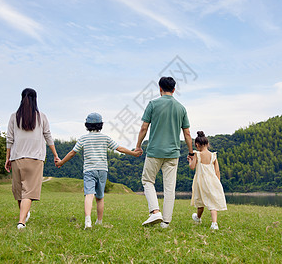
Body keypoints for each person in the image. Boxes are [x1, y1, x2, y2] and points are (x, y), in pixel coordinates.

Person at [56, 112, 141, 229]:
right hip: (102, 170)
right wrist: (133, 153)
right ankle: (99, 222)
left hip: (89, 170)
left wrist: (61, 162)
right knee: (100, 197)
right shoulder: (105, 137)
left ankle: (87, 222)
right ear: (101, 125)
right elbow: (119, 148)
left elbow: (72, 153)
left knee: (89, 195)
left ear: (87, 125)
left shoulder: (83, 138)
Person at [135, 76, 194, 228]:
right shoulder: (181, 108)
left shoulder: (153, 104)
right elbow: (187, 133)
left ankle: (155, 212)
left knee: (148, 181)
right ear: (174, 90)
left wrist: (138, 146)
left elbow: (144, 128)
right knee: (169, 188)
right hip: (173, 154)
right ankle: (166, 222)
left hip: (154, 151)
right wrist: (191, 152)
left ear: (160, 89)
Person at [5, 88, 60, 230]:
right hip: (35, 159)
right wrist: (55, 154)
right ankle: (21, 222)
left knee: (19, 191)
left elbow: (9, 139)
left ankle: (23, 216)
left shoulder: (14, 116)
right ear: (35, 99)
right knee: (28, 191)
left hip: (17, 158)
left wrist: (8, 158)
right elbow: (48, 136)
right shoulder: (41, 116)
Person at [189, 131, 227, 230]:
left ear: (197, 145)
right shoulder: (213, 155)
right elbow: (217, 171)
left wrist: (190, 161)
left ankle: (198, 217)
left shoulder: (197, 154)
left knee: (200, 201)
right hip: (212, 181)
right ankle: (214, 223)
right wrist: (217, 182)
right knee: (212, 201)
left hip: (200, 181)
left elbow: (192, 167)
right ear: (207, 144)